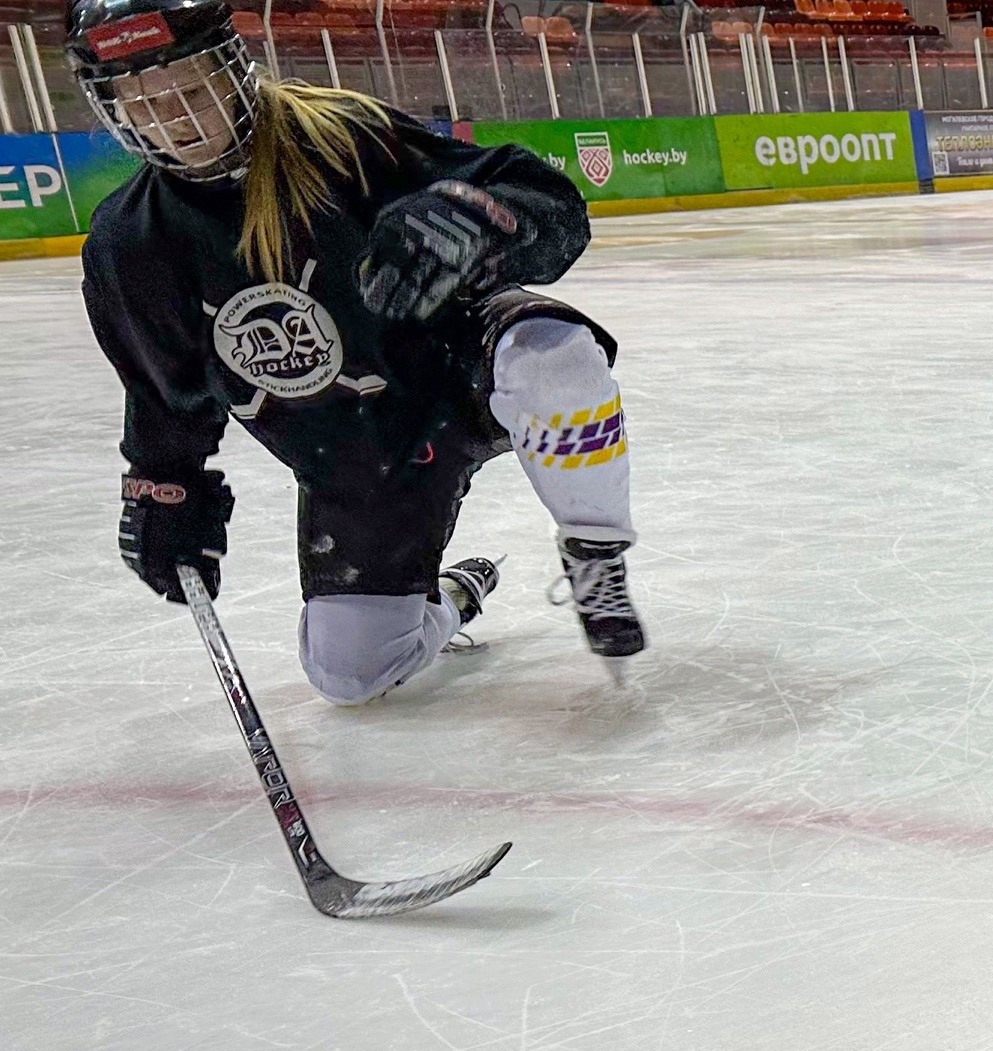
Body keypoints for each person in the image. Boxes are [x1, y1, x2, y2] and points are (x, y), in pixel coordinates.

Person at [69, 0, 647, 703]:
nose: (179, 123)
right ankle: (456, 595)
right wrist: (164, 489)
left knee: (553, 355)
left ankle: (595, 550)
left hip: (455, 372)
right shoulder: (131, 244)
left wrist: (470, 216)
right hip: (358, 456)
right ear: (113, 111)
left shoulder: (342, 136)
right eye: (148, 105)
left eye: (192, 90)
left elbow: (550, 205)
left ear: (232, 69)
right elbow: (164, 396)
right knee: (350, 674)